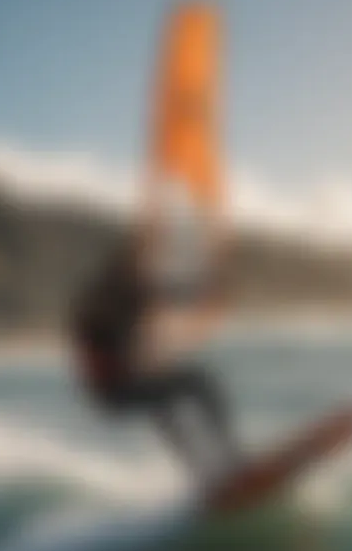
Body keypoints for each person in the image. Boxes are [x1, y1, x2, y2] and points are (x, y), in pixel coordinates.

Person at [67, 186, 239, 487]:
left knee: (174, 401)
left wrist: (206, 286)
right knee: (198, 386)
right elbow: (108, 328)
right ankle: (228, 463)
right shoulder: (106, 302)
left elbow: (171, 294)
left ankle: (209, 475)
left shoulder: (125, 295)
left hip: (124, 384)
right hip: (114, 391)